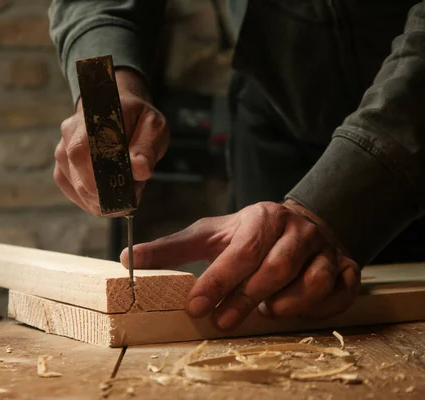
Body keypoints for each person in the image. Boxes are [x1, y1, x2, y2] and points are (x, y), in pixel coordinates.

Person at [46, 0, 425, 331]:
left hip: (412, 113)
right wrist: (107, 90)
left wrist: (333, 199)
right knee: (264, 306)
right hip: (273, 109)